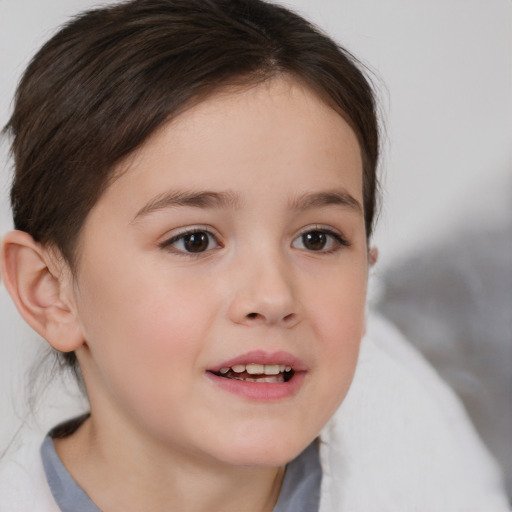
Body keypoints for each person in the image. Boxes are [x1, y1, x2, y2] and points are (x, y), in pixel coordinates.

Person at [0, 0, 508, 510]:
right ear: (49, 293)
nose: (272, 296)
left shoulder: (439, 478)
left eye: (317, 238)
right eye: (194, 240)